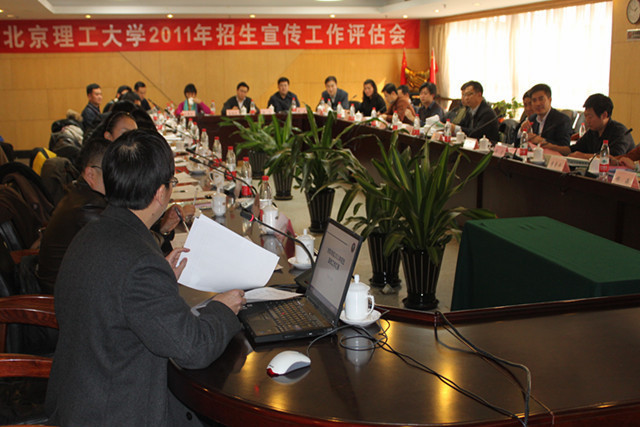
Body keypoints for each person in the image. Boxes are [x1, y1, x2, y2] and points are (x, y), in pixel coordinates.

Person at [45, 129, 244, 426]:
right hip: (115, 412)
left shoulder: (92, 233)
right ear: (160, 193)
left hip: (80, 398)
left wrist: (161, 277)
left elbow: (117, 295)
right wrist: (223, 308)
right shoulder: (140, 264)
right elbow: (194, 349)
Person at [544, 94, 634, 158]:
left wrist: (584, 156)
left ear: (604, 115)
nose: (587, 120)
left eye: (590, 117)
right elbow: (573, 149)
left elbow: (612, 158)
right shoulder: (593, 131)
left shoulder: (620, 132)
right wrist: (549, 146)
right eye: (585, 116)